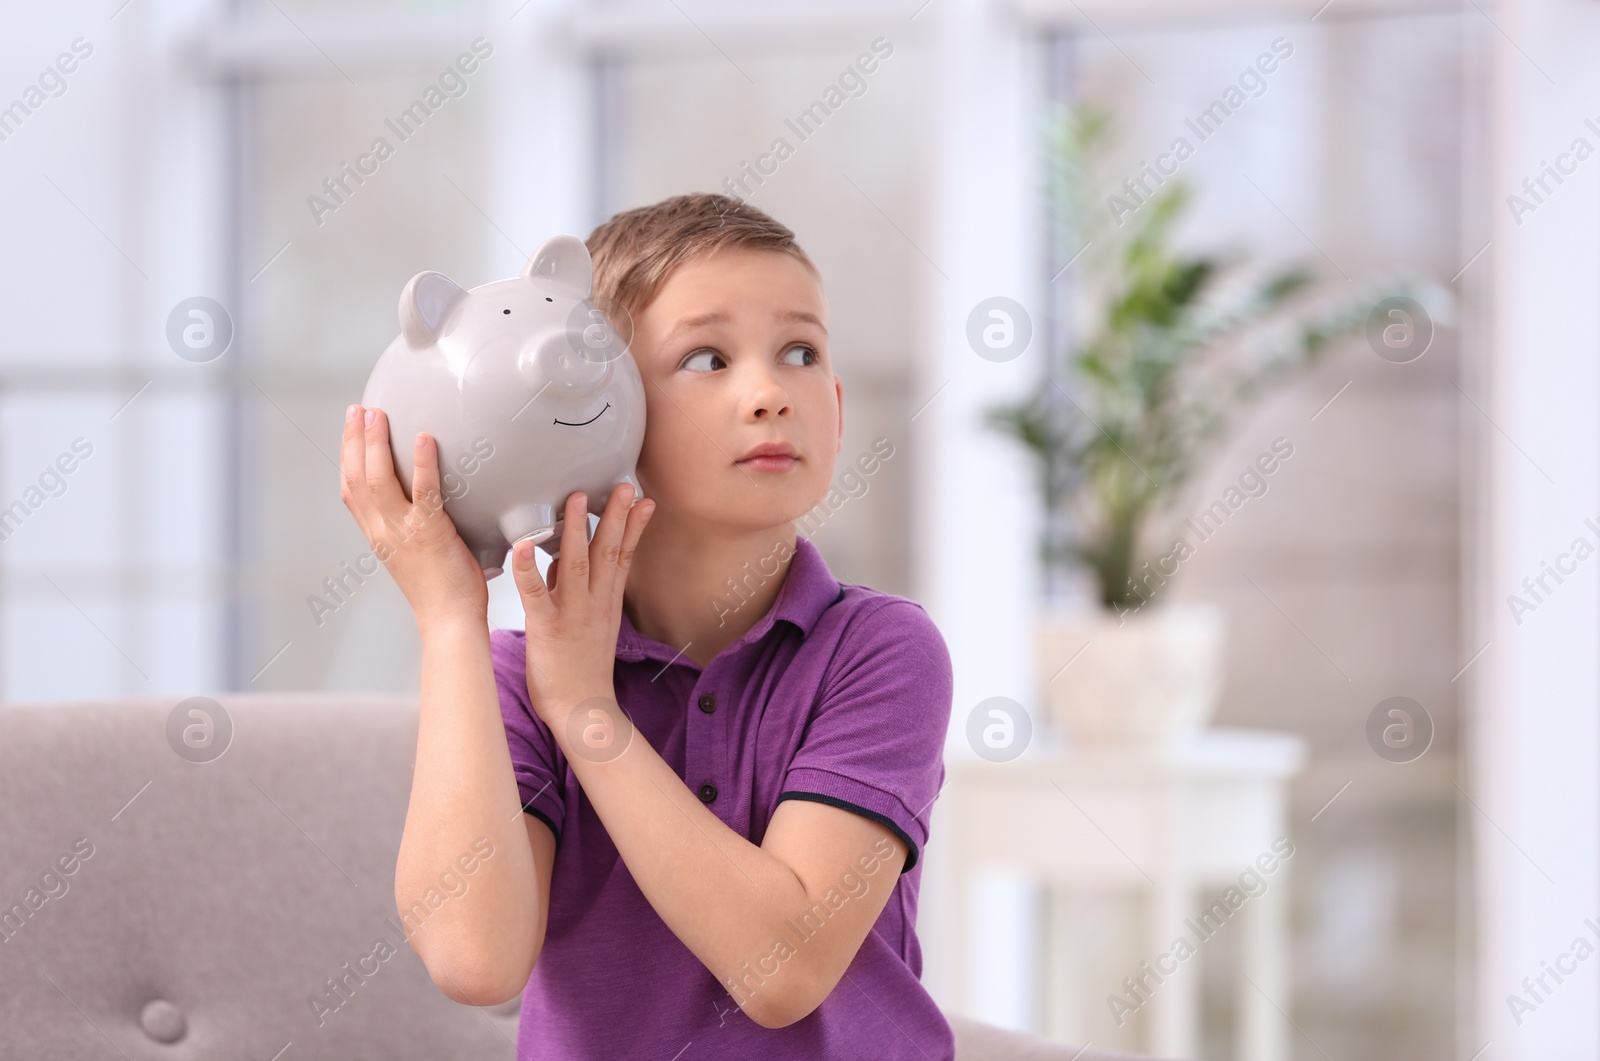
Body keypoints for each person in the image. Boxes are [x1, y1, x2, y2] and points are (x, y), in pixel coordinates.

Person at [339, 192, 954, 1059]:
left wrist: (590, 714)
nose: (770, 392)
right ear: (611, 404)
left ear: (841, 406)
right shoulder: (517, 679)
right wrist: (450, 622)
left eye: (801, 351)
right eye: (708, 357)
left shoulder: (880, 651)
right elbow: (474, 959)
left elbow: (782, 970)